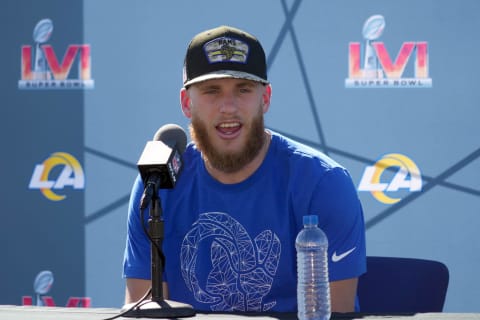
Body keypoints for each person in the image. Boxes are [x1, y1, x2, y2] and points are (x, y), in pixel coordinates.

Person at [123, 25, 366, 313]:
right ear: (187, 103)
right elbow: (145, 312)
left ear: (265, 99)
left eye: (243, 89)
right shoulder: (158, 184)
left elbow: (333, 313)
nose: (228, 106)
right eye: (212, 91)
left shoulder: (323, 183)